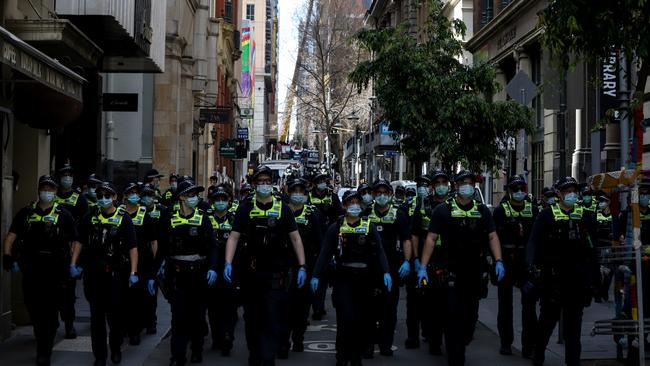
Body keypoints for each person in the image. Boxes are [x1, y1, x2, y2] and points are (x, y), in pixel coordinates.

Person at [418, 170, 505, 366]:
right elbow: (431, 239)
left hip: (474, 273)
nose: (467, 186)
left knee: (470, 318)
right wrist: (422, 266)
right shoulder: (443, 210)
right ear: (456, 186)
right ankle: (456, 356)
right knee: (453, 315)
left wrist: (499, 261)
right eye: (463, 182)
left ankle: (461, 341)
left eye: (470, 183)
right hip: (451, 273)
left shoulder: (482, 211)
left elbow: (492, 236)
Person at [223, 165, 307, 366]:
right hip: (250, 274)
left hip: (275, 275)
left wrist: (302, 265)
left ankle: (268, 359)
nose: (264, 185)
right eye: (260, 182)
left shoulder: (283, 209)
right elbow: (233, 238)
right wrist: (227, 263)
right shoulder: (245, 208)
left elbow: (295, 239)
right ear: (254, 185)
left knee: (271, 318)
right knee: (252, 318)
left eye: (268, 182)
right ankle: (254, 353)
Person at [2, 175, 79, 366]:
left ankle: (44, 351)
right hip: (32, 268)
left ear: (55, 192)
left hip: (55, 269)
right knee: (33, 306)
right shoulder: (26, 213)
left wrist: (73, 263)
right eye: (44, 188)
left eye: (51, 189)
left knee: (50, 311)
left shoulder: (64, 214)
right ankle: (40, 331)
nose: (48, 192)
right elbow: (11, 236)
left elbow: (75, 241)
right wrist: (7, 255)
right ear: (39, 190)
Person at [311, 190, 392, 366]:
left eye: (357, 202)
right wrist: (316, 275)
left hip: (364, 281)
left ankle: (356, 357)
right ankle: (341, 356)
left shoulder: (368, 225)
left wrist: (386, 271)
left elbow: (379, 251)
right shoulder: (336, 227)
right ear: (345, 205)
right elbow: (325, 253)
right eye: (350, 202)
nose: (354, 206)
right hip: (343, 280)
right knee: (345, 319)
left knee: (360, 321)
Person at [526, 176, 598, 366]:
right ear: (558, 193)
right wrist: (531, 269)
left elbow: (593, 249)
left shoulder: (584, 216)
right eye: (567, 191)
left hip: (577, 281)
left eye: (574, 190)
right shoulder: (547, 215)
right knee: (547, 321)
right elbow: (533, 242)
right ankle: (538, 353)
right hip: (553, 280)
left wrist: (594, 280)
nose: (572, 194)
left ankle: (573, 361)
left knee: (574, 327)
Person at [76, 181, 138, 366]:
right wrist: (74, 263)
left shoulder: (124, 219)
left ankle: (116, 348)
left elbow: (133, 248)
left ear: (114, 197)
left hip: (116, 275)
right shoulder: (90, 217)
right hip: (94, 275)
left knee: (115, 317)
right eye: (100, 195)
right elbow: (79, 241)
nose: (103, 199)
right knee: (96, 319)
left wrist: (133, 272)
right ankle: (100, 356)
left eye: (107, 195)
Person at [158, 179, 218, 365]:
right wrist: (156, 270)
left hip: (198, 274)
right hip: (177, 275)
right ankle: (178, 355)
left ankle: (197, 350)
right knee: (179, 317)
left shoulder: (203, 219)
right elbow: (161, 247)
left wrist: (213, 268)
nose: (195, 198)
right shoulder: (169, 218)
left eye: (196, 195)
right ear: (181, 197)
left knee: (197, 315)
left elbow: (213, 248)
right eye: (191, 195)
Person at [492, 174, 539, 357]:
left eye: (522, 188)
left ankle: (529, 345)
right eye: (515, 188)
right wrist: (496, 262)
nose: (519, 192)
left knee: (529, 305)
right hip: (506, 262)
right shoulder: (501, 211)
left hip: (526, 264)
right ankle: (506, 342)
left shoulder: (533, 209)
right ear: (509, 190)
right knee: (505, 305)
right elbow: (493, 237)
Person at [366, 179, 412, 357]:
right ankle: (368, 345)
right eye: (378, 193)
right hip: (369, 270)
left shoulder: (398, 215)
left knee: (388, 310)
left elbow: (407, 239)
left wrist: (407, 261)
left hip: (392, 269)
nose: (382, 196)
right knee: (368, 310)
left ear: (391, 195)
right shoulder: (365, 214)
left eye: (385, 192)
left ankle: (385, 344)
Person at [409, 170, 449, 354]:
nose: (441, 186)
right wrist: (417, 260)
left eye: (444, 182)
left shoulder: (454, 207)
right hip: (430, 263)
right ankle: (434, 340)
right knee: (432, 303)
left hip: (450, 261)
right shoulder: (423, 208)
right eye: (437, 183)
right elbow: (415, 235)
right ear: (432, 187)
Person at [284, 178, 323, 354]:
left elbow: (320, 242)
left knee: (301, 307)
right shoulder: (282, 212)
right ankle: (283, 341)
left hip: (306, 266)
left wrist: (316, 272)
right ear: (288, 193)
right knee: (283, 306)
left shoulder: (312, 214)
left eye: (301, 191)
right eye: (295, 191)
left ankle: (298, 338)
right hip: (284, 266)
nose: (298, 195)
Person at [121, 183, 158, 345]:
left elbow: (153, 242)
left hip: (143, 262)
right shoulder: (119, 214)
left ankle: (136, 330)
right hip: (122, 262)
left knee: (139, 298)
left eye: (137, 193)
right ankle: (124, 327)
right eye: (131, 193)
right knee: (123, 298)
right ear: (125, 196)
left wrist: (155, 265)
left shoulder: (145, 216)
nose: (134, 196)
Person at [55, 164, 89, 338]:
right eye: (64, 174)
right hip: (52, 250)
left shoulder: (79, 199)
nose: (67, 178)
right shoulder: (53, 196)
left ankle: (69, 324)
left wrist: (79, 261)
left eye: (70, 175)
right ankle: (51, 323)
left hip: (70, 250)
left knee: (68, 293)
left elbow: (84, 229)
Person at [206, 184, 239, 356]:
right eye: (217, 199)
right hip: (210, 270)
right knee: (213, 307)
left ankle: (228, 336)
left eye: (223, 199)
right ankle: (216, 336)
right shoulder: (206, 219)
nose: (220, 202)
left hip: (229, 269)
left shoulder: (234, 220)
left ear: (228, 201)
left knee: (229, 306)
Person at [140, 183, 166, 334]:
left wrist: (160, 261)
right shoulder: (137, 212)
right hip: (141, 256)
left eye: (150, 195)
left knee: (151, 293)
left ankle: (151, 322)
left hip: (155, 257)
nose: (146, 198)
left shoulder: (162, 212)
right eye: (144, 195)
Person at [594, 192, 614, 302]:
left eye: (603, 201)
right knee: (598, 271)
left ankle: (604, 291)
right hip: (598, 246)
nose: (601, 203)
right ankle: (598, 293)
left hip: (609, 247)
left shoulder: (614, 215)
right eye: (600, 201)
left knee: (609, 271)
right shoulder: (596, 214)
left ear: (609, 202)